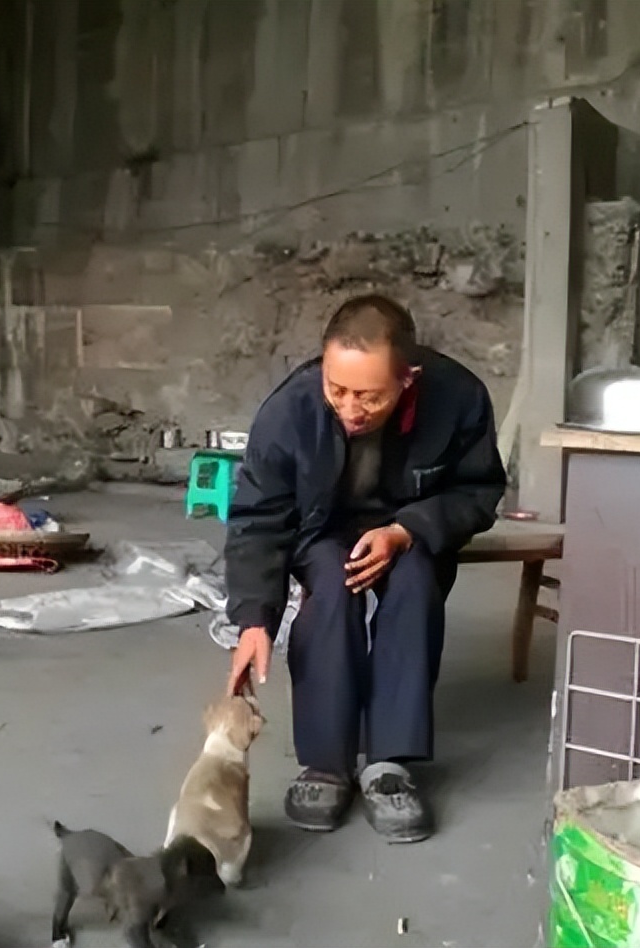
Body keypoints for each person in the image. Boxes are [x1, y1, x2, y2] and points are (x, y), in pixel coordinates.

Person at [222, 293, 506, 843]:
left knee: (415, 581)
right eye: (338, 389)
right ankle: (327, 763)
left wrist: (406, 531)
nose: (350, 409)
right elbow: (259, 517)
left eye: (368, 396)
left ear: (408, 378)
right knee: (331, 586)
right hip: (323, 529)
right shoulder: (290, 411)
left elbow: (479, 489)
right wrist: (254, 618)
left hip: (409, 526)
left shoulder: (459, 397)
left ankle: (389, 765)